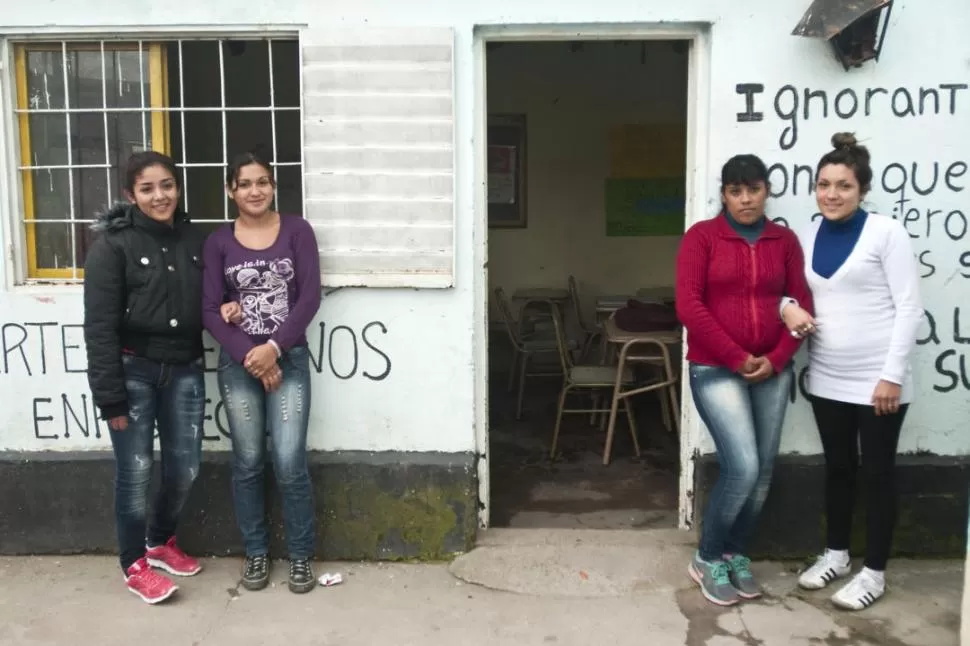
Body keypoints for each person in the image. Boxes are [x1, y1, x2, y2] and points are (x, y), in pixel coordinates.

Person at [781, 133, 923, 611]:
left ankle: (874, 573)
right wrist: (785, 307)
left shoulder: (886, 232)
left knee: (878, 474)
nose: (832, 194)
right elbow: (785, 290)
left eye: (843, 185)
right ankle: (837, 554)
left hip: (879, 381)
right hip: (826, 376)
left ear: (862, 189)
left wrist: (892, 375)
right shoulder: (806, 235)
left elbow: (908, 308)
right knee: (839, 470)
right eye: (824, 184)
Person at [676, 154, 813, 606]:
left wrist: (776, 359)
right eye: (736, 191)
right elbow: (689, 306)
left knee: (765, 472)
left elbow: (802, 304)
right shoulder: (703, 238)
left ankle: (736, 553)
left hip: (772, 370)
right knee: (744, 468)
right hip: (716, 369)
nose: (745, 199)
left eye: (753, 189)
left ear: (766, 191)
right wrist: (737, 358)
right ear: (724, 195)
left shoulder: (784, 240)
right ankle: (707, 557)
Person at [83, 151, 206, 604]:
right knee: (135, 471)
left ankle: (160, 541)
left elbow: (213, 300)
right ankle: (133, 563)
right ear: (130, 195)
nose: (161, 196)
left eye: (167, 185)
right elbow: (98, 327)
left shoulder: (196, 239)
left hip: (186, 369)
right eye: (148, 188)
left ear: (178, 186)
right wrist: (110, 398)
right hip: (133, 372)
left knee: (187, 468)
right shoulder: (111, 248)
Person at [202, 151, 322, 594]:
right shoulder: (218, 242)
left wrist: (272, 349)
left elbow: (309, 298)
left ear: (273, 187)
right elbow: (211, 310)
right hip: (238, 365)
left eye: (264, 182)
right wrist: (251, 355)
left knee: (290, 463)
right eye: (246, 183)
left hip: (287, 360)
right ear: (231, 190)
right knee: (248, 463)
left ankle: (301, 557)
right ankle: (255, 553)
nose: (255, 190)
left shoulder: (297, 231)